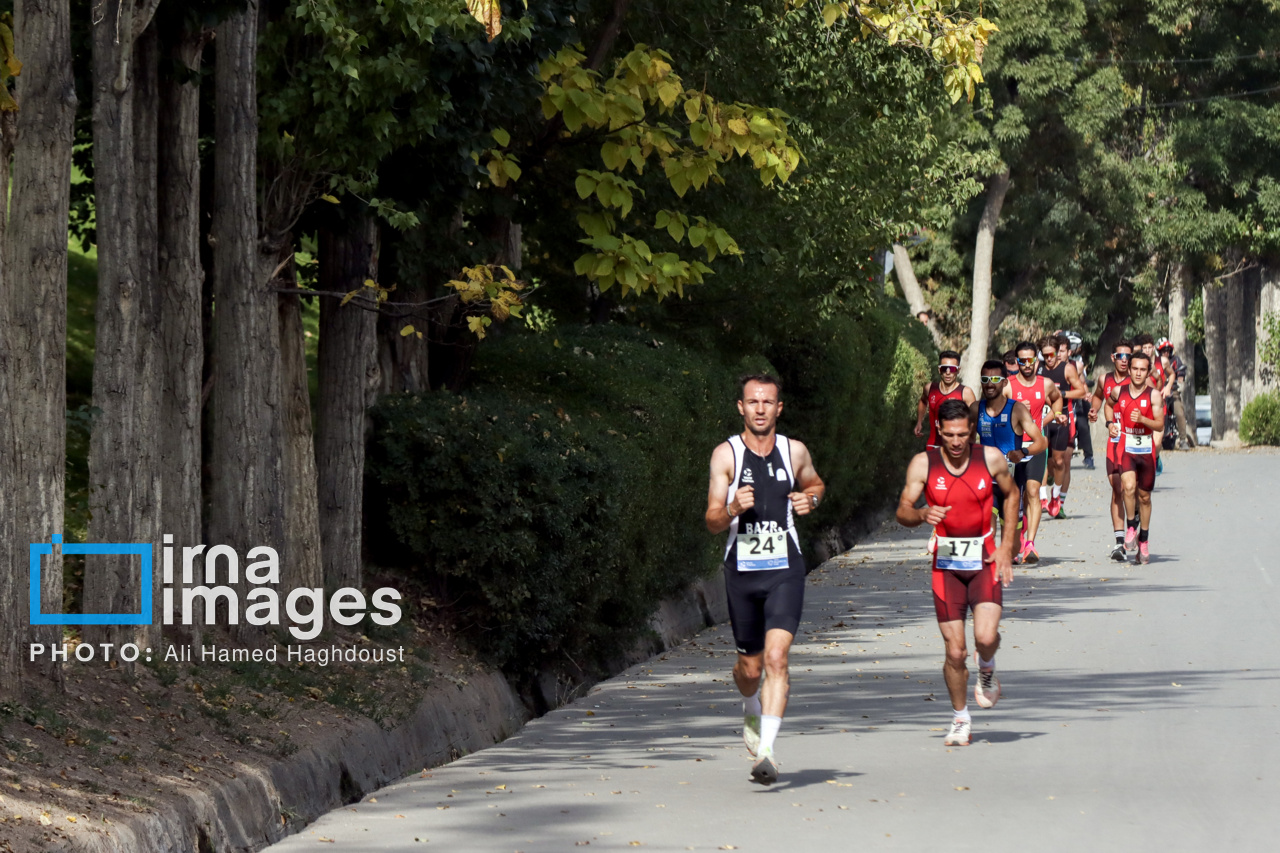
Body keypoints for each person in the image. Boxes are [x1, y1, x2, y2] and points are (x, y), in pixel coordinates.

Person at [705, 374, 825, 785]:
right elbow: (711, 521)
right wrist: (732, 508)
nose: (760, 409)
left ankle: (768, 753)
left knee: (777, 658)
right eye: (752, 402)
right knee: (750, 668)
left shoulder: (794, 452)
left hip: (784, 570)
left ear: (779, 408)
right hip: (741, 572)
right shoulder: (726, 455)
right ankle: (750, 704)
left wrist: (810, 499)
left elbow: (815, 482)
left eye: (767, 402)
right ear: (741, 407)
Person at [897, 399, 1019, 747]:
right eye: (949, 435)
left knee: (983, 638)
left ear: (971, 432)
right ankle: (960, 719)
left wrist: (1006, 547)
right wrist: (921, 515)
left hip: (983, 559)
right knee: (954, 652)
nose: (955, 442)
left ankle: (988, 665)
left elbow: (1011, 497)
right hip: (946, 565)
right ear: (939, 431)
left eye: (963, 434)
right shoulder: (924, 464)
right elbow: (903, 509)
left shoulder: (990, 458)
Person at [1004, 341, 1063, 563]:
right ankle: (1013, 540)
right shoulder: (1007, 386)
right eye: (1022, 361)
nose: (1027, 365)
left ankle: (1030, 544)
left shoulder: (1045, 384)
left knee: (1032, 491)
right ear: (1017, 362)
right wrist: (1015, 411)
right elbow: (995, 410)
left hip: (1036, 446)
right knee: (1014, 497)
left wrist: (1053, 415)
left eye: (1030, 360)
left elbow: (1057, 398)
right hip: (1013, 450)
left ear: (1036, 361)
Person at [970, 360, 1048, 520]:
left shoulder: (1016, 409)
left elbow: (1041, 442)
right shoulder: (975, 408)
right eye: (985, 379)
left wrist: (1022, 452)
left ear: (1005, 382)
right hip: (987, 479)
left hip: (1011, 480)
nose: (990, 384)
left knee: (1011, 536)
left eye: (995, 380)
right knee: (988, 526)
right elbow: (968, 443)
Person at [1110, 352, 1164, 564]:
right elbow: (1107, 404)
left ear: (1147, 371)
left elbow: (1159, 424)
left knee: (1145, 498)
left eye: (1143, 369)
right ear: (1129, 370)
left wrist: (1143, 419)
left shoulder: (1154, 395)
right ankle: (1131, 525)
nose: (1139, 373)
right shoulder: (1119, 391)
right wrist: (1110, 424)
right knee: (1128, 487)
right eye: (1135, 369)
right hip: (1127, 448)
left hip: (1146, 451)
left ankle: (1144, 539)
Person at [1089, 340, 1133, 561]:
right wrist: (1094, 410)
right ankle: (1119, 543)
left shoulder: (1137, 380)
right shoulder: (1104, 380)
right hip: (1115, 442)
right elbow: (1098, 396)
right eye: (1121, 356)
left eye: (1128, 356)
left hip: (1135, 443)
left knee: (1131, 489)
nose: (1124, 360)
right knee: (1117, 488)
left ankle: (1135, 530)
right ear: (1113, 358)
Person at [1038, 335, 1088, 518]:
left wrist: (1063, 393)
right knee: (1042, 457)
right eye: (1046, 356)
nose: (1050, 359)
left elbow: (1081, 391)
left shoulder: (1067, 369)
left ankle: (1056, 496)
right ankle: (1042, 497)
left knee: (1059, 461)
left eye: (1053, 354)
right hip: (1042, 417)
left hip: (1061, 418)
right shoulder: (1038, 368)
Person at [916, 351, 977, 448]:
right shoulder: (929, 388)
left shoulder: (966, 393)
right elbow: (923, 401)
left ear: (958, 370)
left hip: (956, 447)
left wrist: (970, 441)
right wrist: (919, 422)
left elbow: (974, 420)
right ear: (939, 370)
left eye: (952, 369)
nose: (948, 373)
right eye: (945, 368)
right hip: (933, 444)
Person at [1158, 338, 1195, 448]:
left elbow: (1180, 370)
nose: (1166, 352)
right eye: (1163, 350)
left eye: (1168, 350)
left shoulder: (1175, 360)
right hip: (1157, 393)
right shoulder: (1155, 361)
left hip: (1173, 391)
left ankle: (1183, 440)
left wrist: (1180, 376)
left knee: (1179, 412)